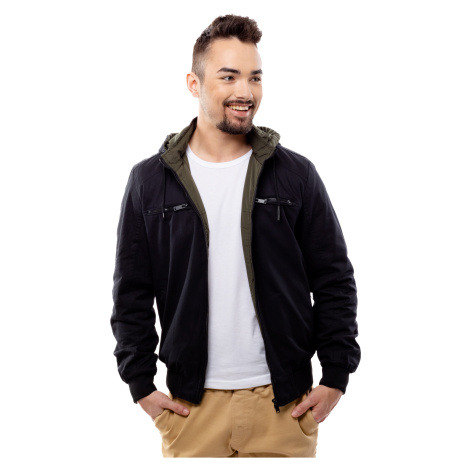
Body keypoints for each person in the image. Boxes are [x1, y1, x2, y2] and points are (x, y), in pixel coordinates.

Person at [110, 14, 360, 458]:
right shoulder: (150, 181)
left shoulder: (296, 174)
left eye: (254, 77)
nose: (245, 92)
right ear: (194, 84)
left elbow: (334, 278)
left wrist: (336, 375)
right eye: (229, 77)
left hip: (284, 404)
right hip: (191, 409)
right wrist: (141, 385)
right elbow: (131, 291)